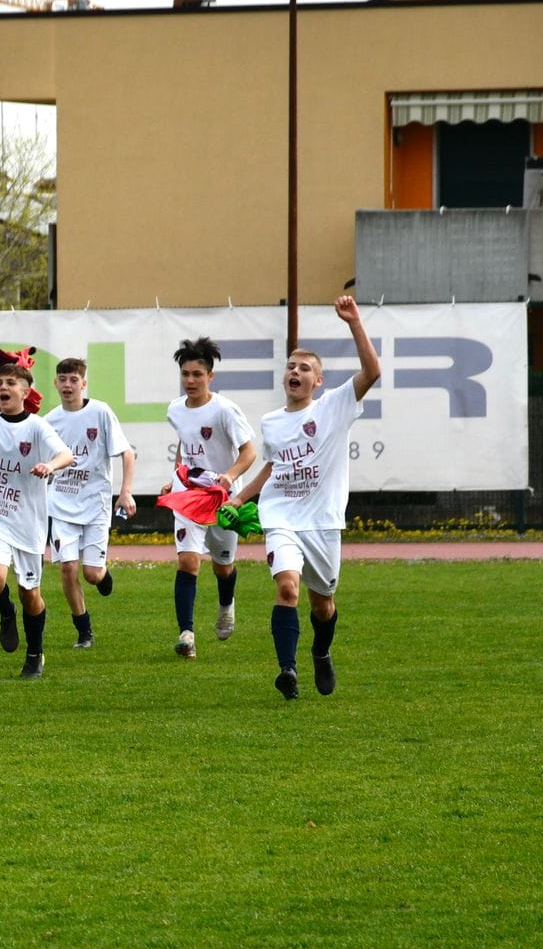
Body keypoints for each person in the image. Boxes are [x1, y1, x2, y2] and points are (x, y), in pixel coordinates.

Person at [232, 295, 381, 700]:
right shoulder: (272, 422)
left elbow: (372, 371)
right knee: (287, 590)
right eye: (292, 367)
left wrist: (353, 322)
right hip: (281, 516)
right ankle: (288, 670)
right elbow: (273, 466)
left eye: (306, 369)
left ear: (318, 382)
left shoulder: (334, 407)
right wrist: (239, 498)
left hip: (324, 523)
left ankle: (320, 650)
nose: (296, 372)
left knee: (323, 606)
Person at [0, 361, 73, 678]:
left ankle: (35, 655)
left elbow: (67, 454)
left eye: (11, 382)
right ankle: (7, 614)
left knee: (30, 594)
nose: (3, 387)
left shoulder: (36, 427)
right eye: (0, 383)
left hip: (28, 523)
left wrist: (50, 466)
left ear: (26, 391)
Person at [162, 336, 256, 659]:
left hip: (224, 500)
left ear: (210, 377)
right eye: (185, 374)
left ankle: (226, 604)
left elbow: (249, 451)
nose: (190, 380)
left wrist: (229, 477)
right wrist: (174, 475)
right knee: (188, 561)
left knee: (222, 567)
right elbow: (184, 445)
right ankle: (186, 635)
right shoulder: (175, 409)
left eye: (197, 375)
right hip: (189, 494)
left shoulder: (225, 410)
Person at [45, 356, 137, 649]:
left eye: (74, 380)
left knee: (91, 574)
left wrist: (125, 492)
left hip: (95, 504)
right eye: (63, 379)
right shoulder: (49, 422)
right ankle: (84, 630)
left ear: (83, 383)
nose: (68, 385)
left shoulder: (101, 412)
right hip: (60, 505)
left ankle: (102, 573)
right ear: (55, 383)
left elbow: (127, 453)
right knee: (68, 569)